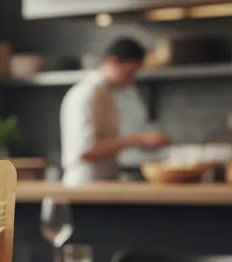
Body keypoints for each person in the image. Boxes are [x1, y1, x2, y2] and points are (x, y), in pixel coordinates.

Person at [60, 38, 170, 185]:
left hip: (104, 184)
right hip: (84, 186)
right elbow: (86, 151)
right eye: (129, 72)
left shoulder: (107, 94)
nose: (131, 80)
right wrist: (139, 139)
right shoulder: (85, 94)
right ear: (112, 61)